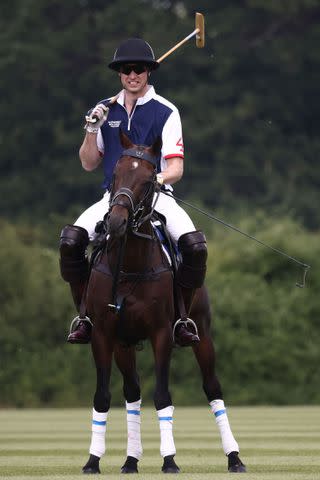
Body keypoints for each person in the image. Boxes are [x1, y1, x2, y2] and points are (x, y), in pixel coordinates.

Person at [59, 38, 207, 346]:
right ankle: (85, 316)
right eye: (126, 70)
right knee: (71, 242)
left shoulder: (166, 111)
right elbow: (88, 163)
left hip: (157, 198)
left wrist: (152, 182)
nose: (133, 75)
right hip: (112, 200)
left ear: (149, 72)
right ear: (119, 74)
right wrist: (91, 128)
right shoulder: (103, 110)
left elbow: (176, 169)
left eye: (139, 69)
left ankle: (182, 318)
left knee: (195, 246)